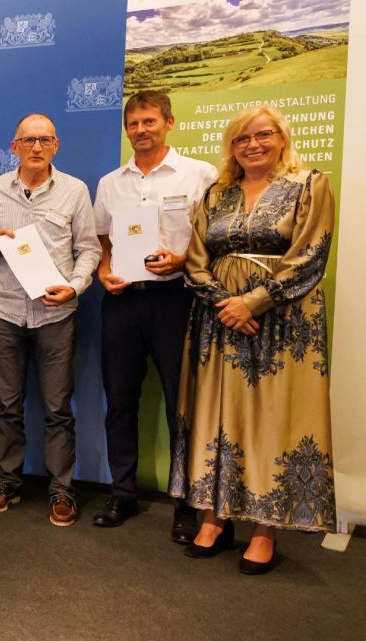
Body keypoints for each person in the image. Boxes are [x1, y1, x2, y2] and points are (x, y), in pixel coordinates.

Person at [175, 105, 335, 574]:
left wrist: (256, 302)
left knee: (271, 418)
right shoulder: (216, 193)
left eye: (262, 135)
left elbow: (311, 253)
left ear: (281, 139)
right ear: (231, 147)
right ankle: (213, 516)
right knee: (216, 413)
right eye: (242, 138)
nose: (253, 144)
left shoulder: (309, 184)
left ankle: (265, 527)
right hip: (217, 319)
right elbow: (196, 258)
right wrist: (226, 302)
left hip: (282, 322)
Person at [91, 91, 217, 541]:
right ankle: (122, 492)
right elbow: (103, 241)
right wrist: (105, 272)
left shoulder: (200, 174)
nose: (141, 130)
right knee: (119, 401)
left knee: (179, 404)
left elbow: (212, 240)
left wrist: (182, 260)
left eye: (149, 122)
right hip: (122, 302)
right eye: (133, 124)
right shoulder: (110, 182)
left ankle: (185, 502)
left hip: (176, 300)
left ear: (169, 122)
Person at [0, 113, 100, 527]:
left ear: (56, 145)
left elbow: (90, 250)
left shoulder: (75, 191)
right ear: (15, 147)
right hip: (5, 311)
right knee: (8, 406)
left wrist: (75, 286)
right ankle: (7, 481)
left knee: (58, 407)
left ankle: (62, 491)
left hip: (55, 313)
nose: (37, 148)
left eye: (44, 140)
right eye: (28, 141)